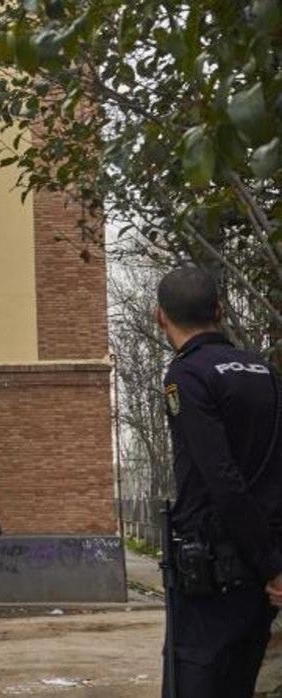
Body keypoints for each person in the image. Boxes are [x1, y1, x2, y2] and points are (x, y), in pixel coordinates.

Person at [155, 266, 282, 697]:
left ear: (160, 317)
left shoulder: (187, 376)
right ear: (220, 310)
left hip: (212, 571)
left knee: (194, 679)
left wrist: (270, 564)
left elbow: (221, 478)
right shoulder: (265, 372)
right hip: (261, 576)